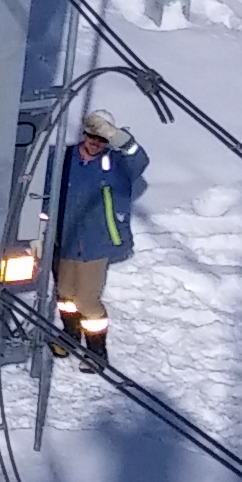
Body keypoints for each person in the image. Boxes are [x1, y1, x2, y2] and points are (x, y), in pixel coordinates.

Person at [48, 109, 148, 359]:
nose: (95, 143)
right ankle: (70, 335)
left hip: (96, 244)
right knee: (64, 293)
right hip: (65, 239)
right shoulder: (65, 157)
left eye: (102, 139)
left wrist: (116, 136)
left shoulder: (117, 165)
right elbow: (44, 191)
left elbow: (139, 159)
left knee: (87, 300)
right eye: (92, 136)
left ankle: (96, 350)